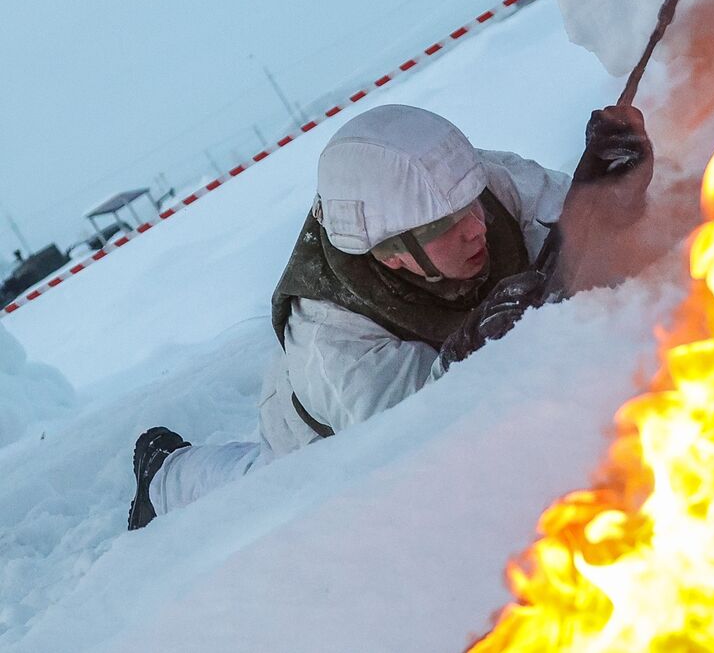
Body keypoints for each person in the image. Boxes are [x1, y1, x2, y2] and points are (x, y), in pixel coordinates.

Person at [127, 102, 651, 530]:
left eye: (474, 205)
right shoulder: (331, 339)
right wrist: (469, 349)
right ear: (392, 251)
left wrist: (605, 202)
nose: (477, 227)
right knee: (250, 493)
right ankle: (164, 473)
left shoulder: (475, 186)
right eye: (449, 226)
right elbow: (413, 440)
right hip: (319, 431)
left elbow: (572, 246)